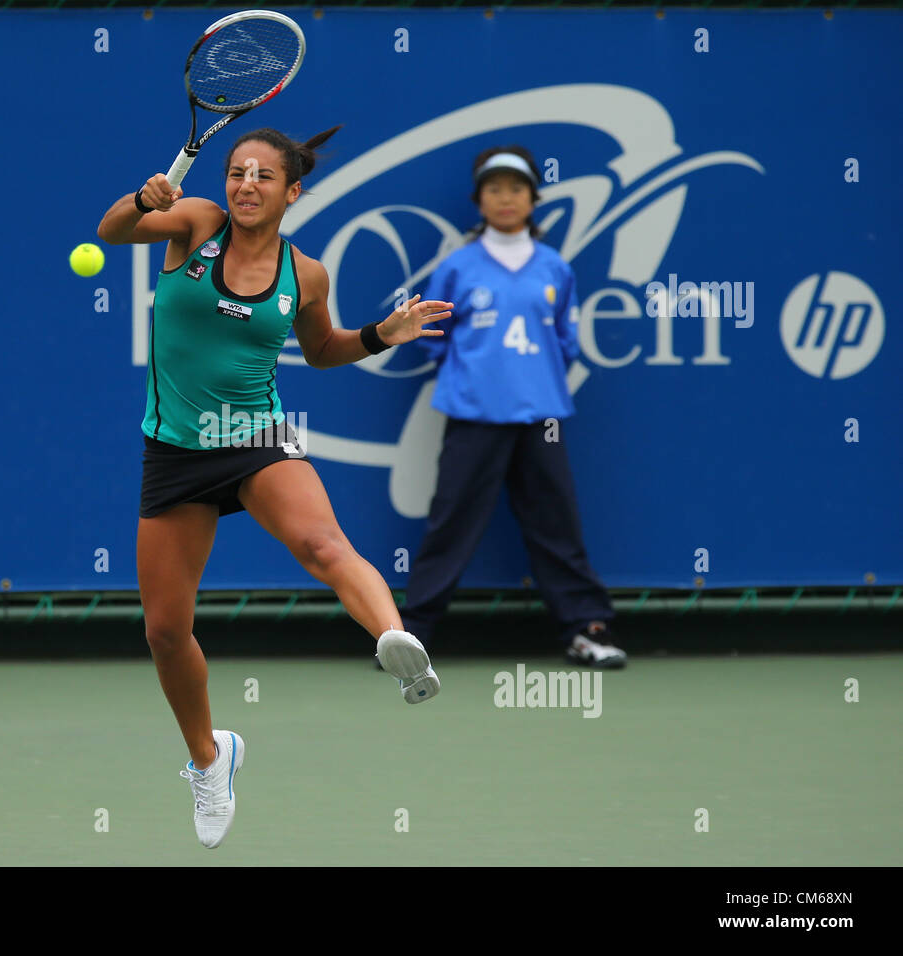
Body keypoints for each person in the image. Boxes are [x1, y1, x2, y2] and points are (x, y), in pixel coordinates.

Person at [96, 127, 454, 849]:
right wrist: (144, 198)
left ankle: (392, 636)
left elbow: (323, 352)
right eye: (236, 172)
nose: (246, 184)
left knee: (322, 543)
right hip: (174, 452)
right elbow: (112, 233)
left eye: (264, 175)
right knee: (165, 632)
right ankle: (209, 755)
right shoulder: (194, 223)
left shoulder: (307, 275)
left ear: (292, 192)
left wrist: (382, 333)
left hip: (255, 435)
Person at [401, 145, 627, 669]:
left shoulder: (555, 267)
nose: (506, 198)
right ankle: (415, 634)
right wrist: (477, 379)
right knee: (450, 523)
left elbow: (566, 341)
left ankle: (586, 628)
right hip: (473, 414)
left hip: (541, 416)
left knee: (557, 524)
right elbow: (431, 337)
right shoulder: (457, 267)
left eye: (517, 189)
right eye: (495, 189)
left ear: (533, 198)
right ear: (478, 199)